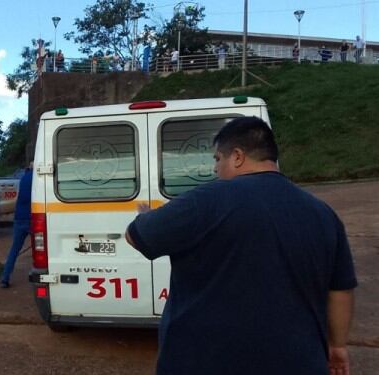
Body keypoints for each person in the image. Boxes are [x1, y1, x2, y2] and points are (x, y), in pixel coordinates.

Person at [124, 117, 357, 374]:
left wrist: (145, 216)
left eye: (217, 159)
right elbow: (341, 290)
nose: (215, 169)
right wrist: (337, 347)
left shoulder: (207, 201)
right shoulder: (323, 213)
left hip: (205, 362)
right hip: (300, 363)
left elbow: (135, 236)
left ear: (237, 156)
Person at [0, 162, 33, 288]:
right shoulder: (37, 178)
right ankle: (38, 277)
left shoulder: (23, 178)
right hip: (32, 218)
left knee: (14, 249)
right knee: (40, 250)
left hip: (19, 218)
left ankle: (5, 278)